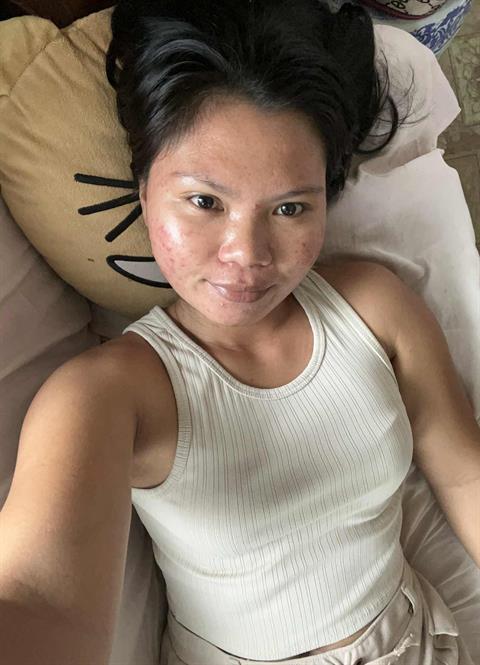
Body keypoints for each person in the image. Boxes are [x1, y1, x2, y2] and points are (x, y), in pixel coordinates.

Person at [0, 1, 479, 663]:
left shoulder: (374, 306)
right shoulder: (107, 392)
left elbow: (462, 474)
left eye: (290, 208)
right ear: (144, 190)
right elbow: (40, 597)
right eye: (205, 201)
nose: (246, 254)